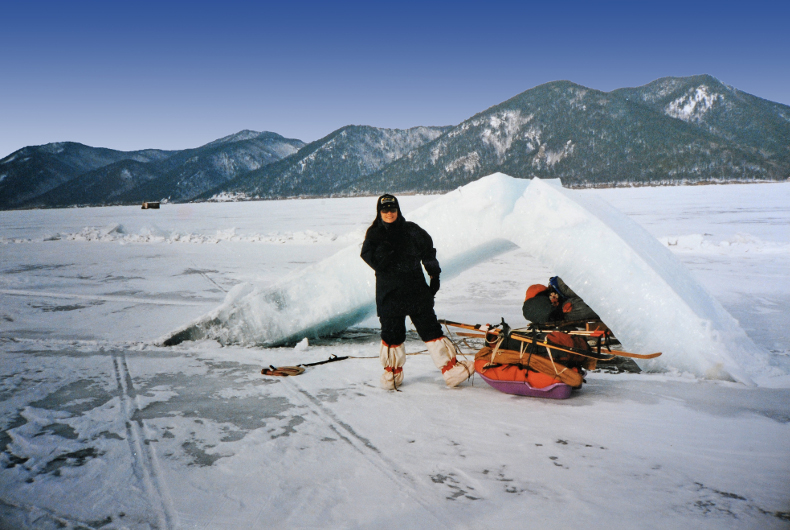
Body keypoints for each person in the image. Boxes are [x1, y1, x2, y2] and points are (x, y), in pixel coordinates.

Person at [360, 194, 474, 390]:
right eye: (385, 210)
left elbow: (428, 252)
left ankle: (451, 371)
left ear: (398, 210)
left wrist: (434, 274)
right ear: (379, 212)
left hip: (415, 290)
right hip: (390, 293)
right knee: (392, 335)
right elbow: (370, 258)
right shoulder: (374, 234)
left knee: (431, 330)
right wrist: (386, 251)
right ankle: (392, 376)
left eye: (392, 209)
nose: (389, 213)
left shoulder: (412, 230)